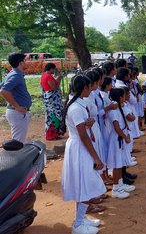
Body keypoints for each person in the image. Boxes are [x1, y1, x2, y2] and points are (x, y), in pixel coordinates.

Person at [61, 75, 106, 234]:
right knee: (86, 183)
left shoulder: (78, 105)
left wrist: (90, 122)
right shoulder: (76, 108)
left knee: (84, 184)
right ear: (83, 88)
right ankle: (78, 224)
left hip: (81, 147)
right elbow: (83, 136)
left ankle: (80, 218)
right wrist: (95, 157)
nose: (90, 89)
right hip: (80, 148)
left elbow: (82, 128)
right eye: (88, 87)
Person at [107, 88, 136, 198]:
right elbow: (116, 127)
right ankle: (116, 188)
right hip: (117, 139)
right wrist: (125, 137)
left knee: (120, 164)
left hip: (121, 136)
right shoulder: (113, 110)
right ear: (120, 98)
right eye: (124, 96)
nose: (125, 98)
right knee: (116, 165)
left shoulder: (119, 107)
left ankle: (120, 184)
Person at [0, 53, 32, 143]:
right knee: (18, 143)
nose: (26, 63)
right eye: (25, 61)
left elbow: (2, 87)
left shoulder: (12, 73)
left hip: (16, 112)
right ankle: (16, 157)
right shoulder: (16, 76)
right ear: (20, 63)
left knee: (18, 141)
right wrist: (17, 106)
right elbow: (3, 91)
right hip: (17, 112)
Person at [40, 63, 64, 140]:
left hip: (49, 99)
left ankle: (54, 134)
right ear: (51, 69)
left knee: (51, 115)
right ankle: (52, 135)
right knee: (54, 115)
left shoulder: (44, 75)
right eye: (54, 69)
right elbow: (54, 88)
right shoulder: (48, 76)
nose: (54, 70)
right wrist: (59, 78)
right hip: (52, 100)